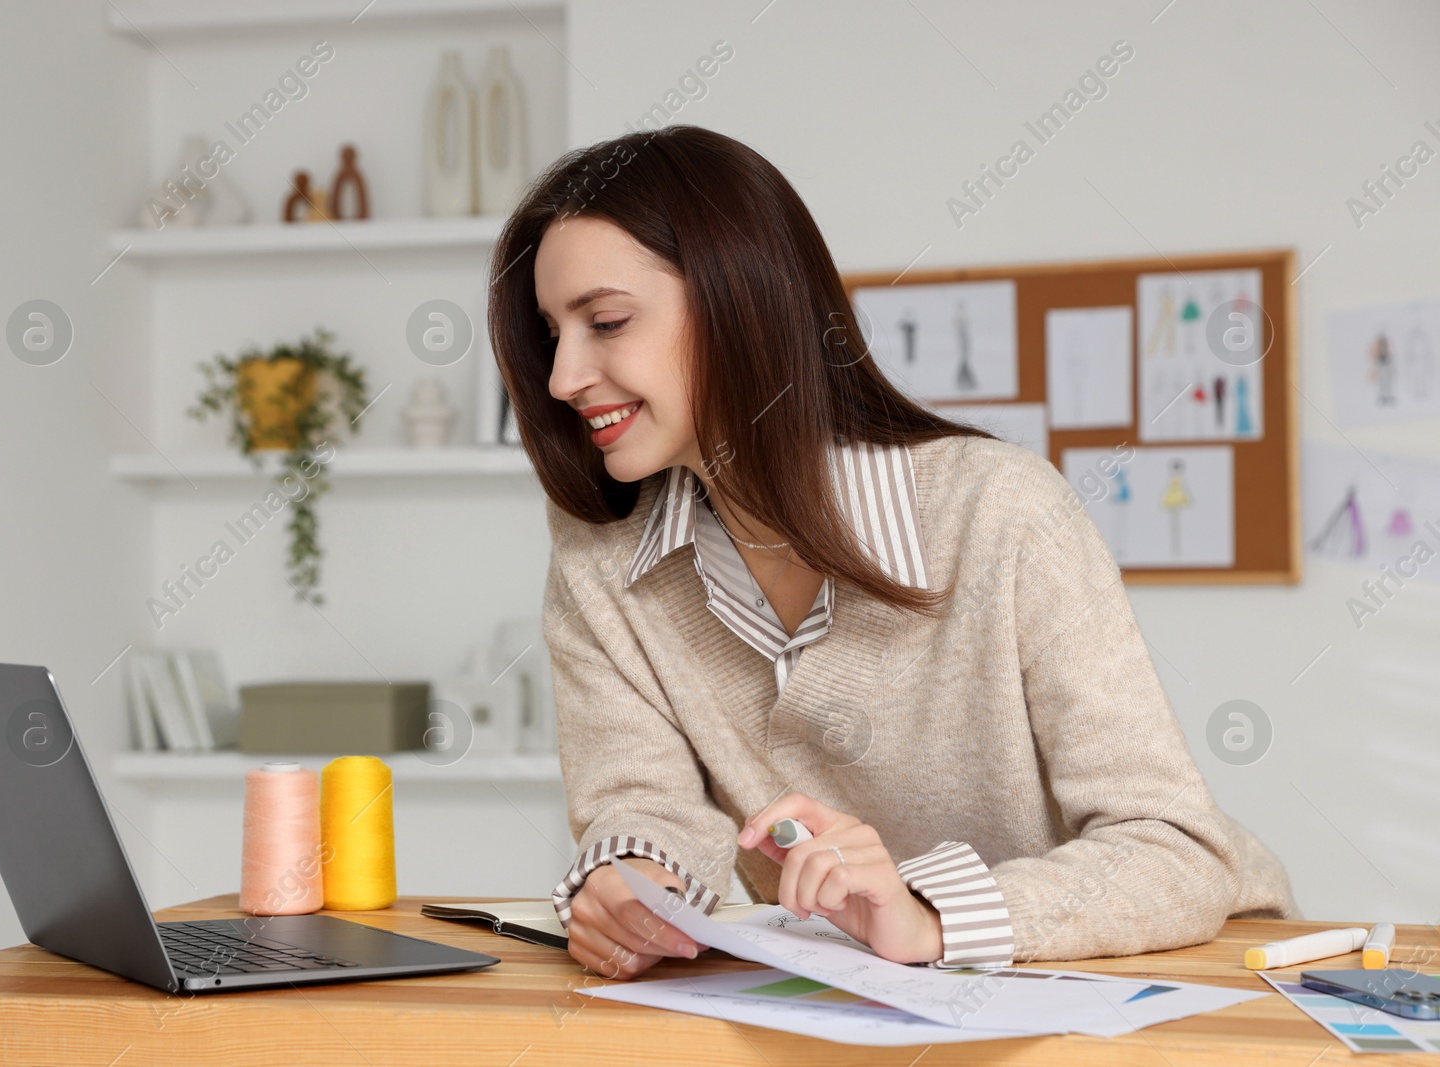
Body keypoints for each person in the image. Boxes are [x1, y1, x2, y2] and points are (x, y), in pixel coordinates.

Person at [486, 125, 1298, 981]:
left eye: (606, 322)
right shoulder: (601, 558)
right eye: (552, 334)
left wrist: (930, 913)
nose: (562, 377)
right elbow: (644, 804)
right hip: (878, 1000)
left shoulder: (1000, 513)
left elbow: (1174, 847)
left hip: (1177, 977)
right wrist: (634, 881)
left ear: (742, 303)